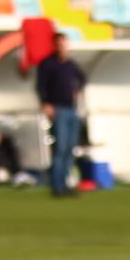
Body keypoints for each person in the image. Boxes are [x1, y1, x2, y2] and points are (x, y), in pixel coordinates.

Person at [35, 32, 86, 197]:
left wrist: (77, 89)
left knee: (70, 149)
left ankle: (66, 183)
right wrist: (46, 104)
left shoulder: (70, 65)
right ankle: (57, 186)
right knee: (60, 148)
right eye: (60, 43)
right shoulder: (48, 64)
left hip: (71, 109)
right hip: (58, 109)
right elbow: (40, 86)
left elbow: (82, 78)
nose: (63, 47)